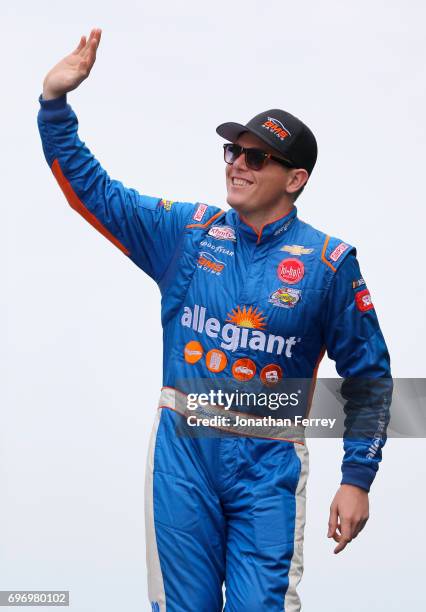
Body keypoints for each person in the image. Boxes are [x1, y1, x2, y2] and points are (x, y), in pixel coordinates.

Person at [38, 28, 392, 612]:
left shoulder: (330, 263)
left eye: (257, 157)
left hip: (270, 465)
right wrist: (54, 105)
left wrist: (357, 479)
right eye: (234, 152)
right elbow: (94, 194)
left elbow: (371, 376)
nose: (239, 166)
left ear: (295, 178)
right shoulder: (189, 231)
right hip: (183, 455)